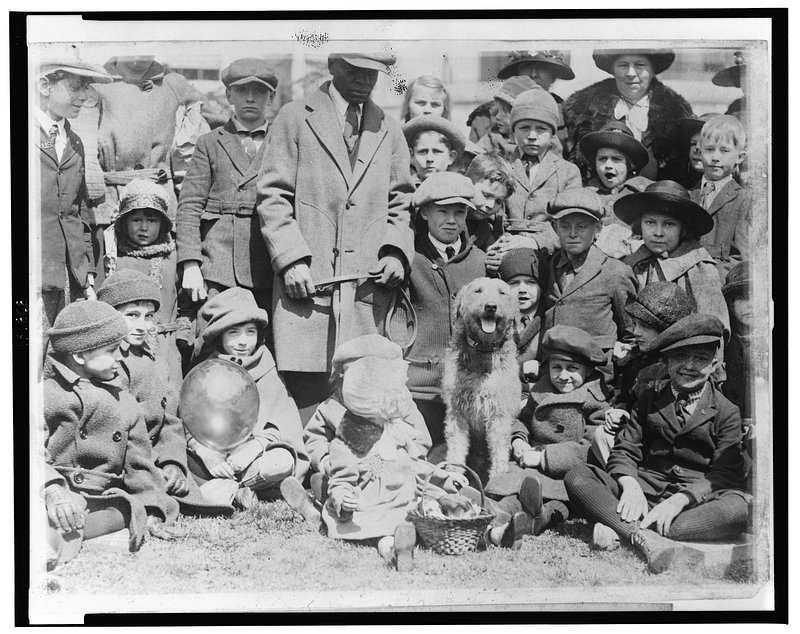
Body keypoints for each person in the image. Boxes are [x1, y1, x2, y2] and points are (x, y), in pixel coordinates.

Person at [256, 51, 415, 424]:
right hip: (307, 292)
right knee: (305, 407)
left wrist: (395, 253)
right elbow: (272, 195)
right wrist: (290, 260)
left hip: (365, 294)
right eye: (353, 70)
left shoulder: (389, 129)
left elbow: (401, 201)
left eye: (371, 73)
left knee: (363, 406)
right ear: (332, 66)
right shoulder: (295, 118)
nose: (363, 80)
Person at [564, 314, 751, 574]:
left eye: (700, 358)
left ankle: (626, 528)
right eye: (680, 357)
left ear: (714, 364)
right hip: (644, 493)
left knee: (739, 509)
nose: (689, 366)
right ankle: (647, 535)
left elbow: (724, 473)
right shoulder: (649, 399)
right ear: (665, 361)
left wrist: (680, 501)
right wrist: (630, 486)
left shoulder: (727, 411)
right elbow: (626, 449)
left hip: (693, 503)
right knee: (578, 475)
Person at [41, 301, 180, 569]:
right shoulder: (46, 395)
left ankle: (57, 535)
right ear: (80, 356)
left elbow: (139, 465)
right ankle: (52, 533)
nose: (120, 357)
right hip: (55, 488)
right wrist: (52, 490)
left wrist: (153, 509)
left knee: (127, 509)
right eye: (111, 350)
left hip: (99, 498)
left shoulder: (126, 403)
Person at [96, 270, 231, 516]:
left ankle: (238, 490)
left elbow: (169, 421)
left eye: (148, 316)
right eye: (131, 315)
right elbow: (114, 434)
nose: (142, 326)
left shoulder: (155, 361)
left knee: (200, 471)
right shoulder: (103, 362)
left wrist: (172, 462)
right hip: (119, 462)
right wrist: (154, 468)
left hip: (155, 456)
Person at [320, 353, 467, 570]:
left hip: (407, 500)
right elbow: (341, 480)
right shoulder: (346, 444)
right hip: (374, 507)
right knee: (384, 533)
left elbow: (418, 467)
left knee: (434, 510)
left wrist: (445, 479)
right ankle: (394, 549)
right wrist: (343, 499)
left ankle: (492, 533)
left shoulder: (397, 432)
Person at [484, 326, 610, 546]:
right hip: (529, 463)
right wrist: (518, 439)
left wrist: (543, 457)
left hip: (566, 472)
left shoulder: (595, 401)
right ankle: (497, 516)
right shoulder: (541, 391)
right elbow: (523, 419)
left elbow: (591, 449)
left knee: (558, 502)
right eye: (556, 367)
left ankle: (538, 520)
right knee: (514, 492)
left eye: (572, 368)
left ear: (588, 370)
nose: (563, 376)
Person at [188, 288, 311, 512]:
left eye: (250, 332)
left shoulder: (267, 369)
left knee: (281, 462)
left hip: (255, 456)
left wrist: (253, 448)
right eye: (233, 333)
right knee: (185, 463)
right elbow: (190, 421)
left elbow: (279, 424)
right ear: (220, 335)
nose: (243, 342)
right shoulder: (207, 371)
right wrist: (207, 454)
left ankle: (234, 489)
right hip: (216, 458)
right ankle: (238, 491)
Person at [176, 58, 278, 319]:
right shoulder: (209, 143)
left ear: (272, 97)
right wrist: (190, 263)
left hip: (269, 263)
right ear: (229, 95)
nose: (250, 98)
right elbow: (189, 206)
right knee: (215, 332)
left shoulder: (284, 142)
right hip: (218, 264)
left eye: (259, 91)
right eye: (242, 90)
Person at [404, 173, 486, 448]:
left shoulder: (480, 261)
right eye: (442, 211)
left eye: (459, 212)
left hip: (468, 388)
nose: (452, 220)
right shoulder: (409, 258)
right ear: (424, 212)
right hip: (420, 389)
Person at [36, 58, 113, 332]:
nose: (84, 96)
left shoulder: (74, 141)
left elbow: (79, 214)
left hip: (69, 277)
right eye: (76, 86)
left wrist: (87, 273)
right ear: (45, 86)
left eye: (87, 87)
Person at [615, 180, 731, 343]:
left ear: (683, 228)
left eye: (669, 224)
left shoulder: (699, 267)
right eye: (650, 222)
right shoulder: (631, 265)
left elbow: (714, 328)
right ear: (640, 224)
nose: (658, 232)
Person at [595, 281, 697, 464]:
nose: (636, 332)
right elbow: (627, 398)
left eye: (645, 326)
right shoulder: (638, 360)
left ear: (667, 330)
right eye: (635, 324)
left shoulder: (680, 370)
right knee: (601, 434)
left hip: (664, 453)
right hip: (635, 440)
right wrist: (620, 410)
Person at [541, 189, 637, 383]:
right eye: (565, 226)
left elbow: (632, 334)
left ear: (598, 228)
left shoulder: (615, 272)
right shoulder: (547, 267)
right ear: (554, 227)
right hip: (555, 376)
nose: (573, 234)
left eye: (582, 226)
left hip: (597, 379)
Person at [562, 48, 693, 181]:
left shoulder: (677, 114)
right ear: (613, 70)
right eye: (623, 65)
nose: (631, 73)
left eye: (640, 65)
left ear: (653, 70)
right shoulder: (582, 110)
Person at [107, 179, 188, 386]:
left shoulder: (173, 258)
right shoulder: (114, 258)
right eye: (136, 220)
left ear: (162, 224)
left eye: (152, 220)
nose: (144, 227)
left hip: (166, 348)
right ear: (124, 222)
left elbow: (185, 303)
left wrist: (182, 334)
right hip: (123, 348)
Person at [503, 87, 582, 255]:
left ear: (552, 134)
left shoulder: (568, 172)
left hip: (550, 251)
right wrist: (502, 244)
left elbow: (570, 220)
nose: (532, 135)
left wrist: (535, 242)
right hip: (507, 247)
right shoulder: (502, 166)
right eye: (524, 128)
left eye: (541, 129)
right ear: (514, 131)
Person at [689, 115, 752, 282]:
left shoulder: (743, 200)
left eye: (724, 151)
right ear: (699, 152)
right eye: (709, 149)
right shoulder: (689, 195)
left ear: (740, 157)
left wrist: (712, 281)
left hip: (719, 282)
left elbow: (740, 257)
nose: (715, 157)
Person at [578, 121, 652, 258]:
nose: (608, 165)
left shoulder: (645, 193)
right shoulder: (585, 194)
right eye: (602, 159)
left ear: (630, 164)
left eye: (616, 159)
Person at [496, 50, 574, 153]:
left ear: (553, 76)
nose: (533, 74)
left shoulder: (570, 117)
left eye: (542, 67)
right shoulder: (490, 116)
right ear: (516, 73)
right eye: (527, 66)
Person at [496, 248, 544, 394]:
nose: (522, 289)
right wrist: (522, 370)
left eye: (531, 282)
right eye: (514, 283)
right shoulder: (494, 322)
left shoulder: (550, 320)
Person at [475, 76, 538, 159]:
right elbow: (475, 155)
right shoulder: (493, 138)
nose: (497, 117)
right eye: (497, 111)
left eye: (504, 112)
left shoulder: (538, 142)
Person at [464, 152, 515, 253]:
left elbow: (489, 248)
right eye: (486, 195)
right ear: (468, 182)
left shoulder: (484, 227)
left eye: (498, 201)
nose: (490, 205)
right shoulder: (448, 215)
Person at [721, 262, 753, 422]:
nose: (751, 306)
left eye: (757, 297)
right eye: (742, 298)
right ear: (730, 304)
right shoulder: (723, 343)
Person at [401, 114, 466, 187]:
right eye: (423, 152)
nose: (429, 159)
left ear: (451, 157)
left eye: (437, 151)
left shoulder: (460, 187)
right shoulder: (405, 189)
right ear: (412, 156)